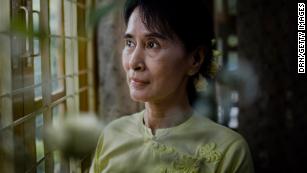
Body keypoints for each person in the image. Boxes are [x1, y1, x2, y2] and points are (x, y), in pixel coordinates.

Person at [90, 0, 254, 172]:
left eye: (152, 44)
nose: (133, 62)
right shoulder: (111, 135)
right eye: (130, 43)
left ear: (195, 59)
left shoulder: (229, 151)